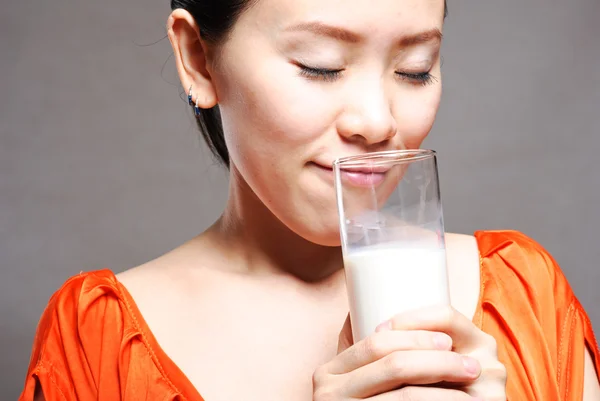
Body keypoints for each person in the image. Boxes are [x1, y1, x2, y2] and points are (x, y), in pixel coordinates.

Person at [18, 0, 600, 400]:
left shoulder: (525, 302)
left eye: (415, 69)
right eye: (320, 66)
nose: (376, 122)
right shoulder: (100, 343)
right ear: (198, 58)